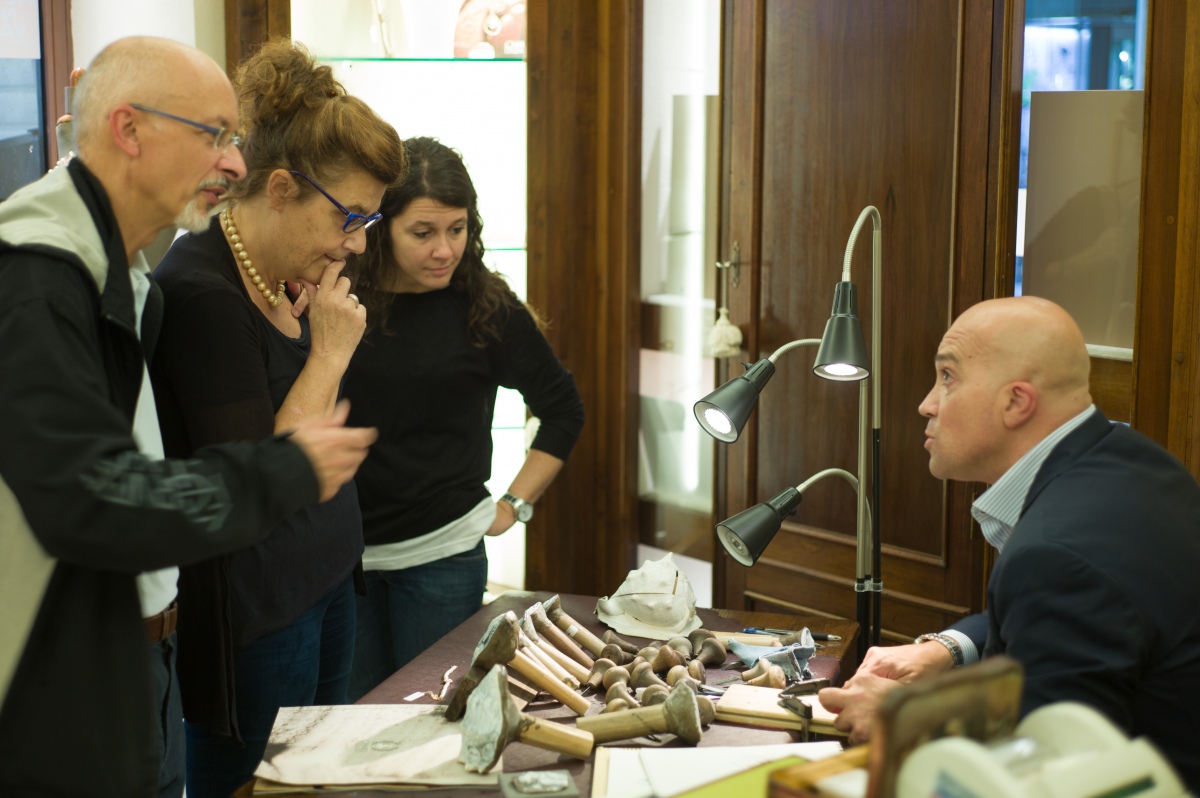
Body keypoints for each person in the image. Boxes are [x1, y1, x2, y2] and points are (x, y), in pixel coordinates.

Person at [0, 36, 376, 798]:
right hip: (65, 668)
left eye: (234, 138)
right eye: (214, 136)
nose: (235, 163)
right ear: (129, 130)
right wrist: (283, 468)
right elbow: (90, 497)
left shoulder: (121, 267)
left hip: (144, 644)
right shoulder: (39, 275)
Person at [149, 40, 403, 797]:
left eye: (368, 220)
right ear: (284, 189)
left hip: (324, 574)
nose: (356, 244)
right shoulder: (202, 293)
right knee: (260, 786)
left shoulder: (283, 275)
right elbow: (254, 482)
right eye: (349, 217)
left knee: (317, 781)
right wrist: (329, 353)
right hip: (258, 611)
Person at [818, 296, 1200, 787]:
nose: (926, 404)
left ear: (1016, 402)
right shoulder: (1134, 459)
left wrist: (909, 719)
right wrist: (949, 648)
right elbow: (1072, 615)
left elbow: (1053, 776)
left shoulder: (1056, 557)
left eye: (947, 377)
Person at [343, 137, 585, 698]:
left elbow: (563, 409)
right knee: (358, 719)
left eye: (457, 229)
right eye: (422, 233)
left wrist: (514, 505)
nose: (444, 250)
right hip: (343, 563)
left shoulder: (486, 305)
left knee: (435, 714)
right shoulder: (340, 297)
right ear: (381, 227)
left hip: (443, 557)